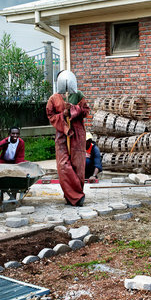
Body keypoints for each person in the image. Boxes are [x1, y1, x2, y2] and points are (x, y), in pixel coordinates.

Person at [46, 70, 89, 207]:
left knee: (78, 165)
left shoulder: (79, 95)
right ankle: (75, 195)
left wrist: (73, 109)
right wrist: (62, 115)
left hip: (77, 133)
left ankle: (74, 197)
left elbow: (86, 111)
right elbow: (50, 116)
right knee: (63, 165)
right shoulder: (53, 99)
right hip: (61, 132)